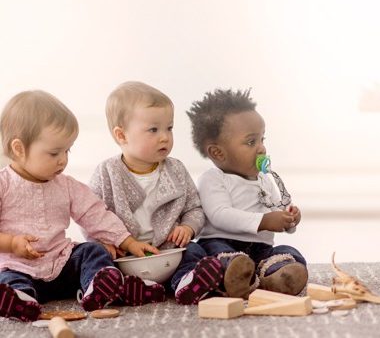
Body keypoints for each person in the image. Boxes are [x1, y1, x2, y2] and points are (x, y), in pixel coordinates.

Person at [0, 90, 163, 322]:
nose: (63, 160)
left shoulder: (66, 185)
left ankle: (99, 287)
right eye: (54, 153)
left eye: (67, 150)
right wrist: (12, 243)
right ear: (19, 149)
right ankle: (20, 301)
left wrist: (128, 241)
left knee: (92, 251)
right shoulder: (4, 184)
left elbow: (94, 213)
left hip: (62, 262)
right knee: (7, 280)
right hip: (20, 267)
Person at [89, 81, 223, 305]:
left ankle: (186, 282)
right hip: (125, 256)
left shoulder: (176, 169)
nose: (164, 137)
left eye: (169, 128)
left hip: (169, 252)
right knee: (92, 254)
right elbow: (90, 215)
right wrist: (104, 241)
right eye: (153, 130)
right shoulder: (107, 173)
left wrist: (188, 227)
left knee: (196, 250)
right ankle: (119, 288)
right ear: (122, 135)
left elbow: (194, 207)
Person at [186, 89, 308, 299]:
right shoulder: (213, 178)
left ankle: (273, 274)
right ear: (218, 153)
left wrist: (288, 219)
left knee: (289, 252)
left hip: (260, 248)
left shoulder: (264, 179)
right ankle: (233, 273)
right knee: (214, 256)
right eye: (251, 142)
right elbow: (220, 214)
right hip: (222, 242)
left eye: (262, 139)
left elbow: (274, 209)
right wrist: (264, 221)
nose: (261, 148)